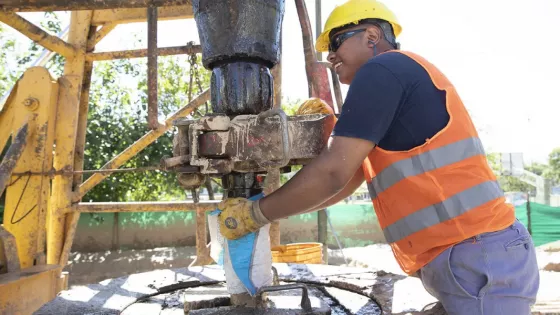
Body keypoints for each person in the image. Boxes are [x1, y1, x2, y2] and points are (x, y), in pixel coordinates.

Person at [216, 0, 540, 313]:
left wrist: (255, 214)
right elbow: (340, 184)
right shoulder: (388, 84)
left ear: (371, 36)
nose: (330, 56)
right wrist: (270, 210)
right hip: (470, 255)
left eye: (336, 42)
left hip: (478, 256)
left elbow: (333, 173)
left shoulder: (384, 68)